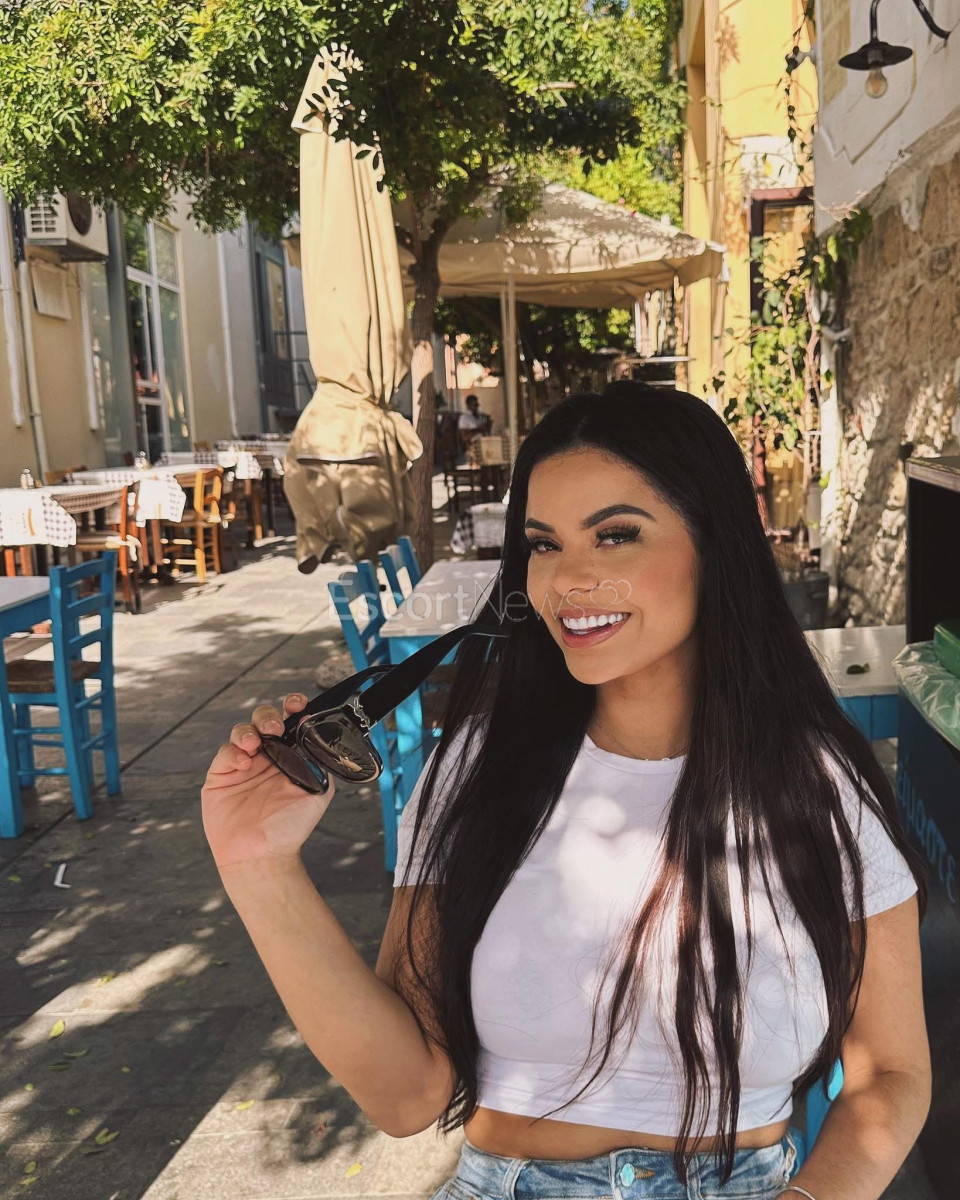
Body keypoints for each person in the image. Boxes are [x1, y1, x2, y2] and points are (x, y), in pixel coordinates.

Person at [202, 383, 929, 1200]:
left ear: (714, 544)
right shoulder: (476, 770)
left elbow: (893, 1071)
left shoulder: (819, 788)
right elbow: (408, 1099)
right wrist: (259, 868)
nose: (568, 580)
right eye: (543, 545)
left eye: (615, 535)